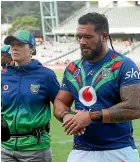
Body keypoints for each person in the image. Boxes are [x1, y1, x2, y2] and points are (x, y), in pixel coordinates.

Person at [53, 12, 140, 162]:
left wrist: (91, 116)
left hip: (119, 150)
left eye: (87, 37)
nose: (81, 42)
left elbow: (135, 106)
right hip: (81, 150)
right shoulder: (73, 69)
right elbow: (60, 102)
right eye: (79, 37)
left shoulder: (123, 65)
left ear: (104, 36)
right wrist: (66, 116)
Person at [1, 29, 60, 162]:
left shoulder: (46, 76)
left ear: (32, 49)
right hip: (5, 149)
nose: (14, 48)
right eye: (12, 45)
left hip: (35, 150)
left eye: (20, 45)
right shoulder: (3, 77)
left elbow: (61, 103)